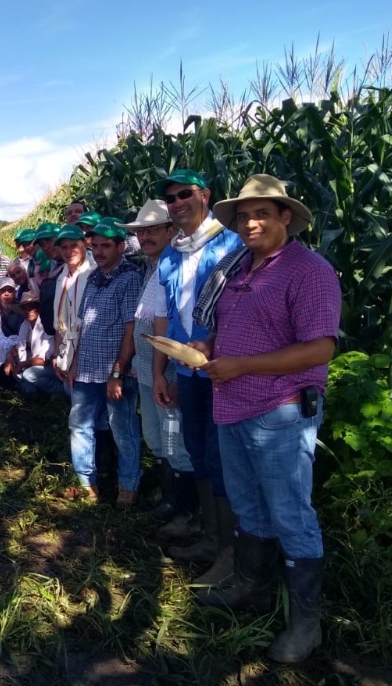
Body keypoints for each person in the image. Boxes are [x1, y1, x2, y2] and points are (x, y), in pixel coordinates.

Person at [191, 175, 340, 664]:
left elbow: (321, 347)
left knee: (291, 514)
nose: (250, 223)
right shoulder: (241, 271)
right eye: (243, 216)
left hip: (279, 410)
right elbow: (236, 330)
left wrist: (243, 365)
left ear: (285, 218)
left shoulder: (308, 271)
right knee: (248, 507)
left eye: (262, 214)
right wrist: (209, 348)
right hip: (231, 406)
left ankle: (305, 624)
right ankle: (251, 589)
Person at [151, 169, 244, 580]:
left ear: (205, 195)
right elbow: (168, 315)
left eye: (184, 194)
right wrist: (166, 369)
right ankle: (210, 535)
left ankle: (231, 553)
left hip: (223, 371)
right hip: (186, 372)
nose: (177, 203)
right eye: (170, 198)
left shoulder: (231, 243)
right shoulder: (173, 252)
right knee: (198, 451)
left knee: (222, 459)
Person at [116, 200, 194, 524]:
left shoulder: (176, 268)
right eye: (141, 231)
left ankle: (186, 512)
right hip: (149, 374)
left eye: (153, 229)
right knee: (157, 438)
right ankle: (168, 501)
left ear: (170, 230)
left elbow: (177, 326)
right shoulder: (151, 268)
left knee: (176, 442)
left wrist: (169, 374)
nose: (145, 236)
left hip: (169, 376)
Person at [60, 220, 144, 508]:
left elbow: (131, 329)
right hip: (86, 369)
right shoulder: (94, 278)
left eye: (106, 246)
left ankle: (128, 485)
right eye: (94, 246)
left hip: (112, 371)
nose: (98, 251)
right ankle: (87, 483)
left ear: (121, 247)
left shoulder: (130, 278)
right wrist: (74, 363)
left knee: (123, 428)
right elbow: (85, 326)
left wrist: (118, 373)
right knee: (80, 426)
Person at [51, 225, 94, 386]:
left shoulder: (93, 273)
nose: (69, 251)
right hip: (67, 349)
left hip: (88, 354)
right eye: (64, 247)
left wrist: (77, 361)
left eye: (74, 245)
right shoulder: (63, 277)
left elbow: (89, 325)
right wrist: (56, 354)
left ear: (85, 244)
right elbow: (59, 322)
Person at [5, 291, 63, 396]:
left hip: (51, 365)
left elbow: (43, 360)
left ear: (38, 307)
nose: (28, 310)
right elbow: (20, 346)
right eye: (25, 307)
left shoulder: (46, 324)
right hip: (36, 363)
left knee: (27, 375)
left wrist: (22, 365)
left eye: (32, 306)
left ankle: (59, 390)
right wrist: (10, 357)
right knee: (21, 376)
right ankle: (38, 393)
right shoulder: (25, 325)